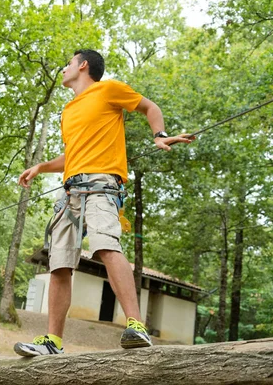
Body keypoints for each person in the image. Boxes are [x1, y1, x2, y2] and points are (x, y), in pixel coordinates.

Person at [13, 49, 194, 356]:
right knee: (59, 262)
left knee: (106, 247)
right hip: (70, 191)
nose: (64, 69)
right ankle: (53, 342)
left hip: (102, 185)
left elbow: (149, 107)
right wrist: (41, 166)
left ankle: (137, 326)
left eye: (68, 63)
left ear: (83, 65)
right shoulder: (68, 111)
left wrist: (159, 135)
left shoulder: (108, 89)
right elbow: (73, 154)